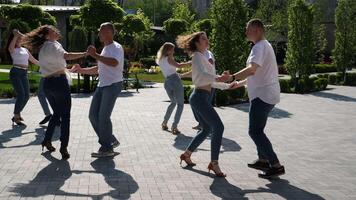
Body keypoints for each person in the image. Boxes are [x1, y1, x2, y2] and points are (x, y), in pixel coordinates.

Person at [228, 19, 285, 179]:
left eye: (248, 29)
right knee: (258, 130)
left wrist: (232, 77)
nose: (246, 32)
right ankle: (263, 160)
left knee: (254, 131)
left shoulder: (259, 47)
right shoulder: (263, 46)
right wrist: (238, 83)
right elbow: (257, 73)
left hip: (262, 96)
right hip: (266, 94)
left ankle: (275, 165)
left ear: (258, 30)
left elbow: (252, 70)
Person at [176, 32, 236, 177]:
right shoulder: (197, 56)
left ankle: (186, 154)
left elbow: (212, 82)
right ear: (196, 43)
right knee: (218, 127)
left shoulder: (204, 57)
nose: (207, 40)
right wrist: (219, 77)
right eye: (203, 38)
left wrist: (227, 85)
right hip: (199, 97)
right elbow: (202, 76)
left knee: (206, 128)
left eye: (207, 37)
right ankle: (214, 163)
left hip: (201, 97)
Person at [24, 25, 87, 160]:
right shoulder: (54, 45)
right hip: (59, 83)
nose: (56, 31)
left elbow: (56, 65)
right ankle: (63, 148)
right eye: (52, 30)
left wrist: (70, 69)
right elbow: (66, 56)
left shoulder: (44, 48)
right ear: (47, 35)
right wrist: (85, 53)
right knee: (65, 116)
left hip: (47, 84)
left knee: (56, 114)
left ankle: (47, 140)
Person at [70, 22, 124, 158]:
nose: (99, 33)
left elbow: (114, 63)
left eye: (101, 31)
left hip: (112, 85)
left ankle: (107, 148)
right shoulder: (105, 49)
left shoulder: (116, 47)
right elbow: (99, 69)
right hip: (102, 85)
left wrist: (95, 55)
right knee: (93, 115)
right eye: (99, 31)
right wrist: (81, 70)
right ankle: (110, 139)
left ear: (110, 32)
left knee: (103, 117)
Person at [156, 42, 191, 135]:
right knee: (180, 104)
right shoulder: (169, 58)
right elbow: (179, 66)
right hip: (175, 80)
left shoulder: (160, 59)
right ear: (168, 50)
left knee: (173, 102)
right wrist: (191, 62)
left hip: (167, 82)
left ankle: (164, 122)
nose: (174, 51)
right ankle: (174, 126)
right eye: (172, 49)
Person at [6, 29, 39, 126]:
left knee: (27, 96)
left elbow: (34, 61)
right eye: (18, 39)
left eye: (20, 39)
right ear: (15, 40)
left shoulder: (25, 50)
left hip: (24, 73)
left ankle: (16, 114)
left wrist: (46, 64)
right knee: (21, 94)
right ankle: (17, 116)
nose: (20, 40)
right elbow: (11, 47)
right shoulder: (12, 49)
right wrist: (16, 35)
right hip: (16, 72)